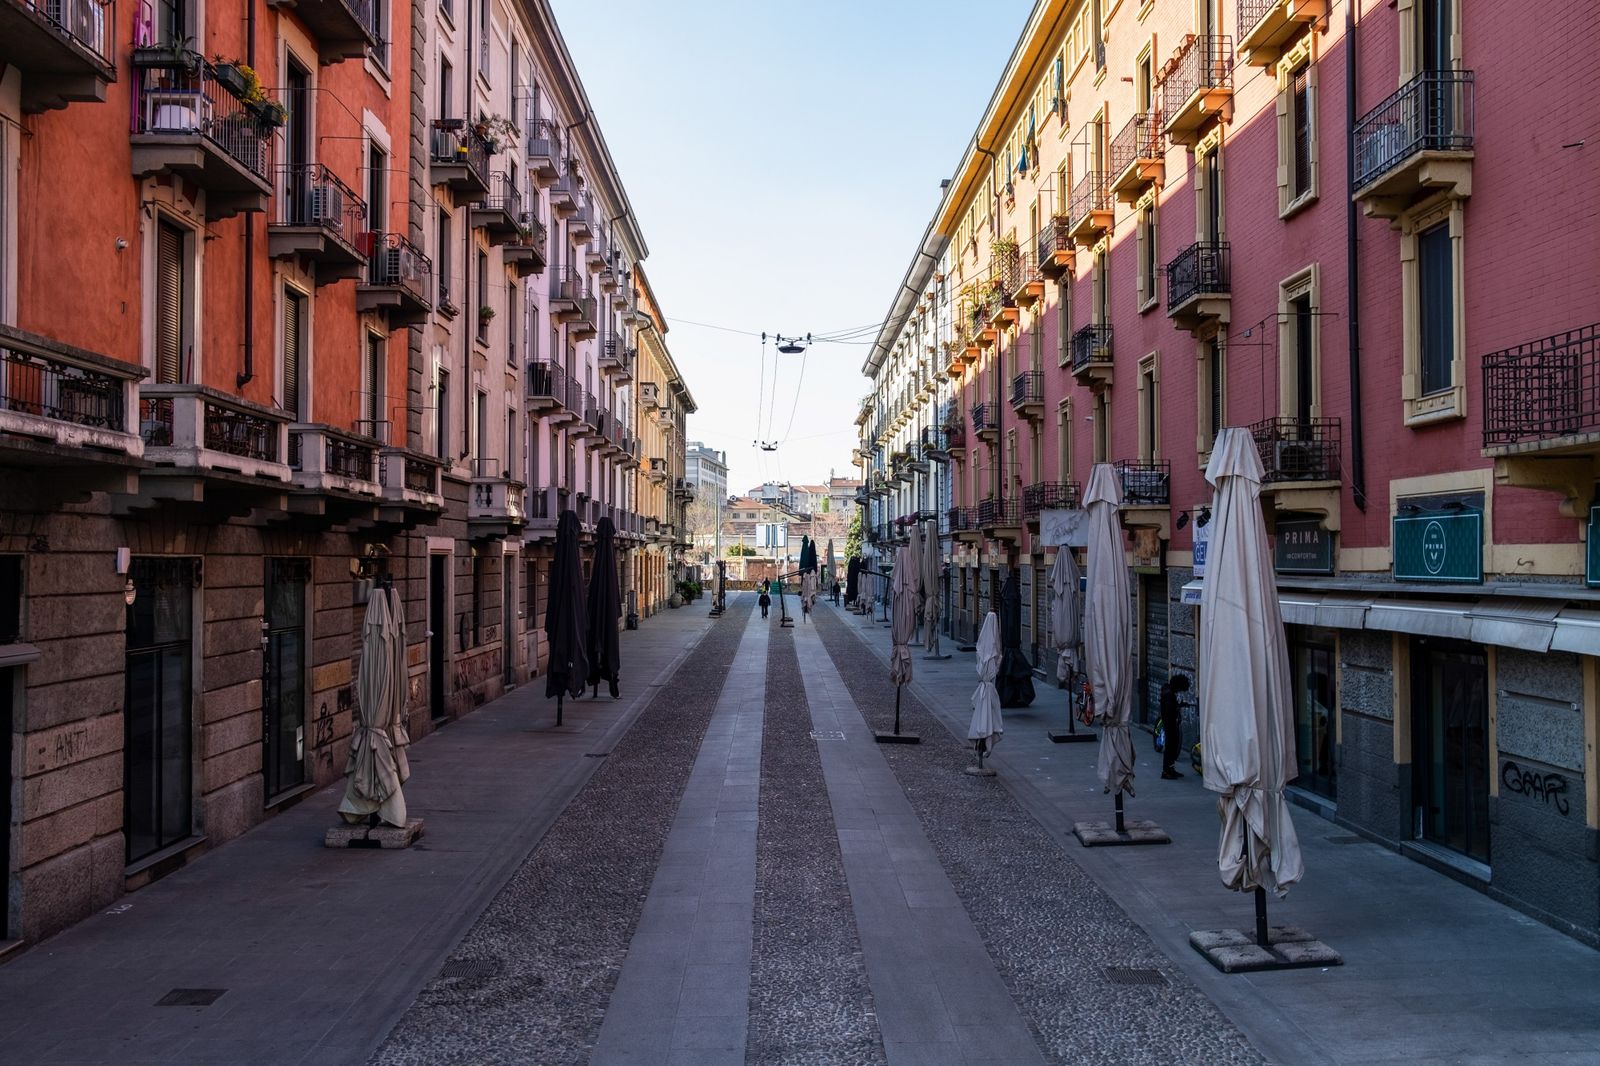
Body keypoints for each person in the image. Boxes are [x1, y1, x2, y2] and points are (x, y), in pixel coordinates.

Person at [1160, 672, 1191, 779]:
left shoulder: (1168, 691)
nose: (1179, 691)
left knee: (1172, 748)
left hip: (1170, 723)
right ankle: (1166, 771)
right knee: (1170, 747)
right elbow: (1169, 709)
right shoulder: (1169, 694)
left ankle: (1170, 769)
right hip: (1170, 724)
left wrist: (1179, 705)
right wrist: (1177, 707)